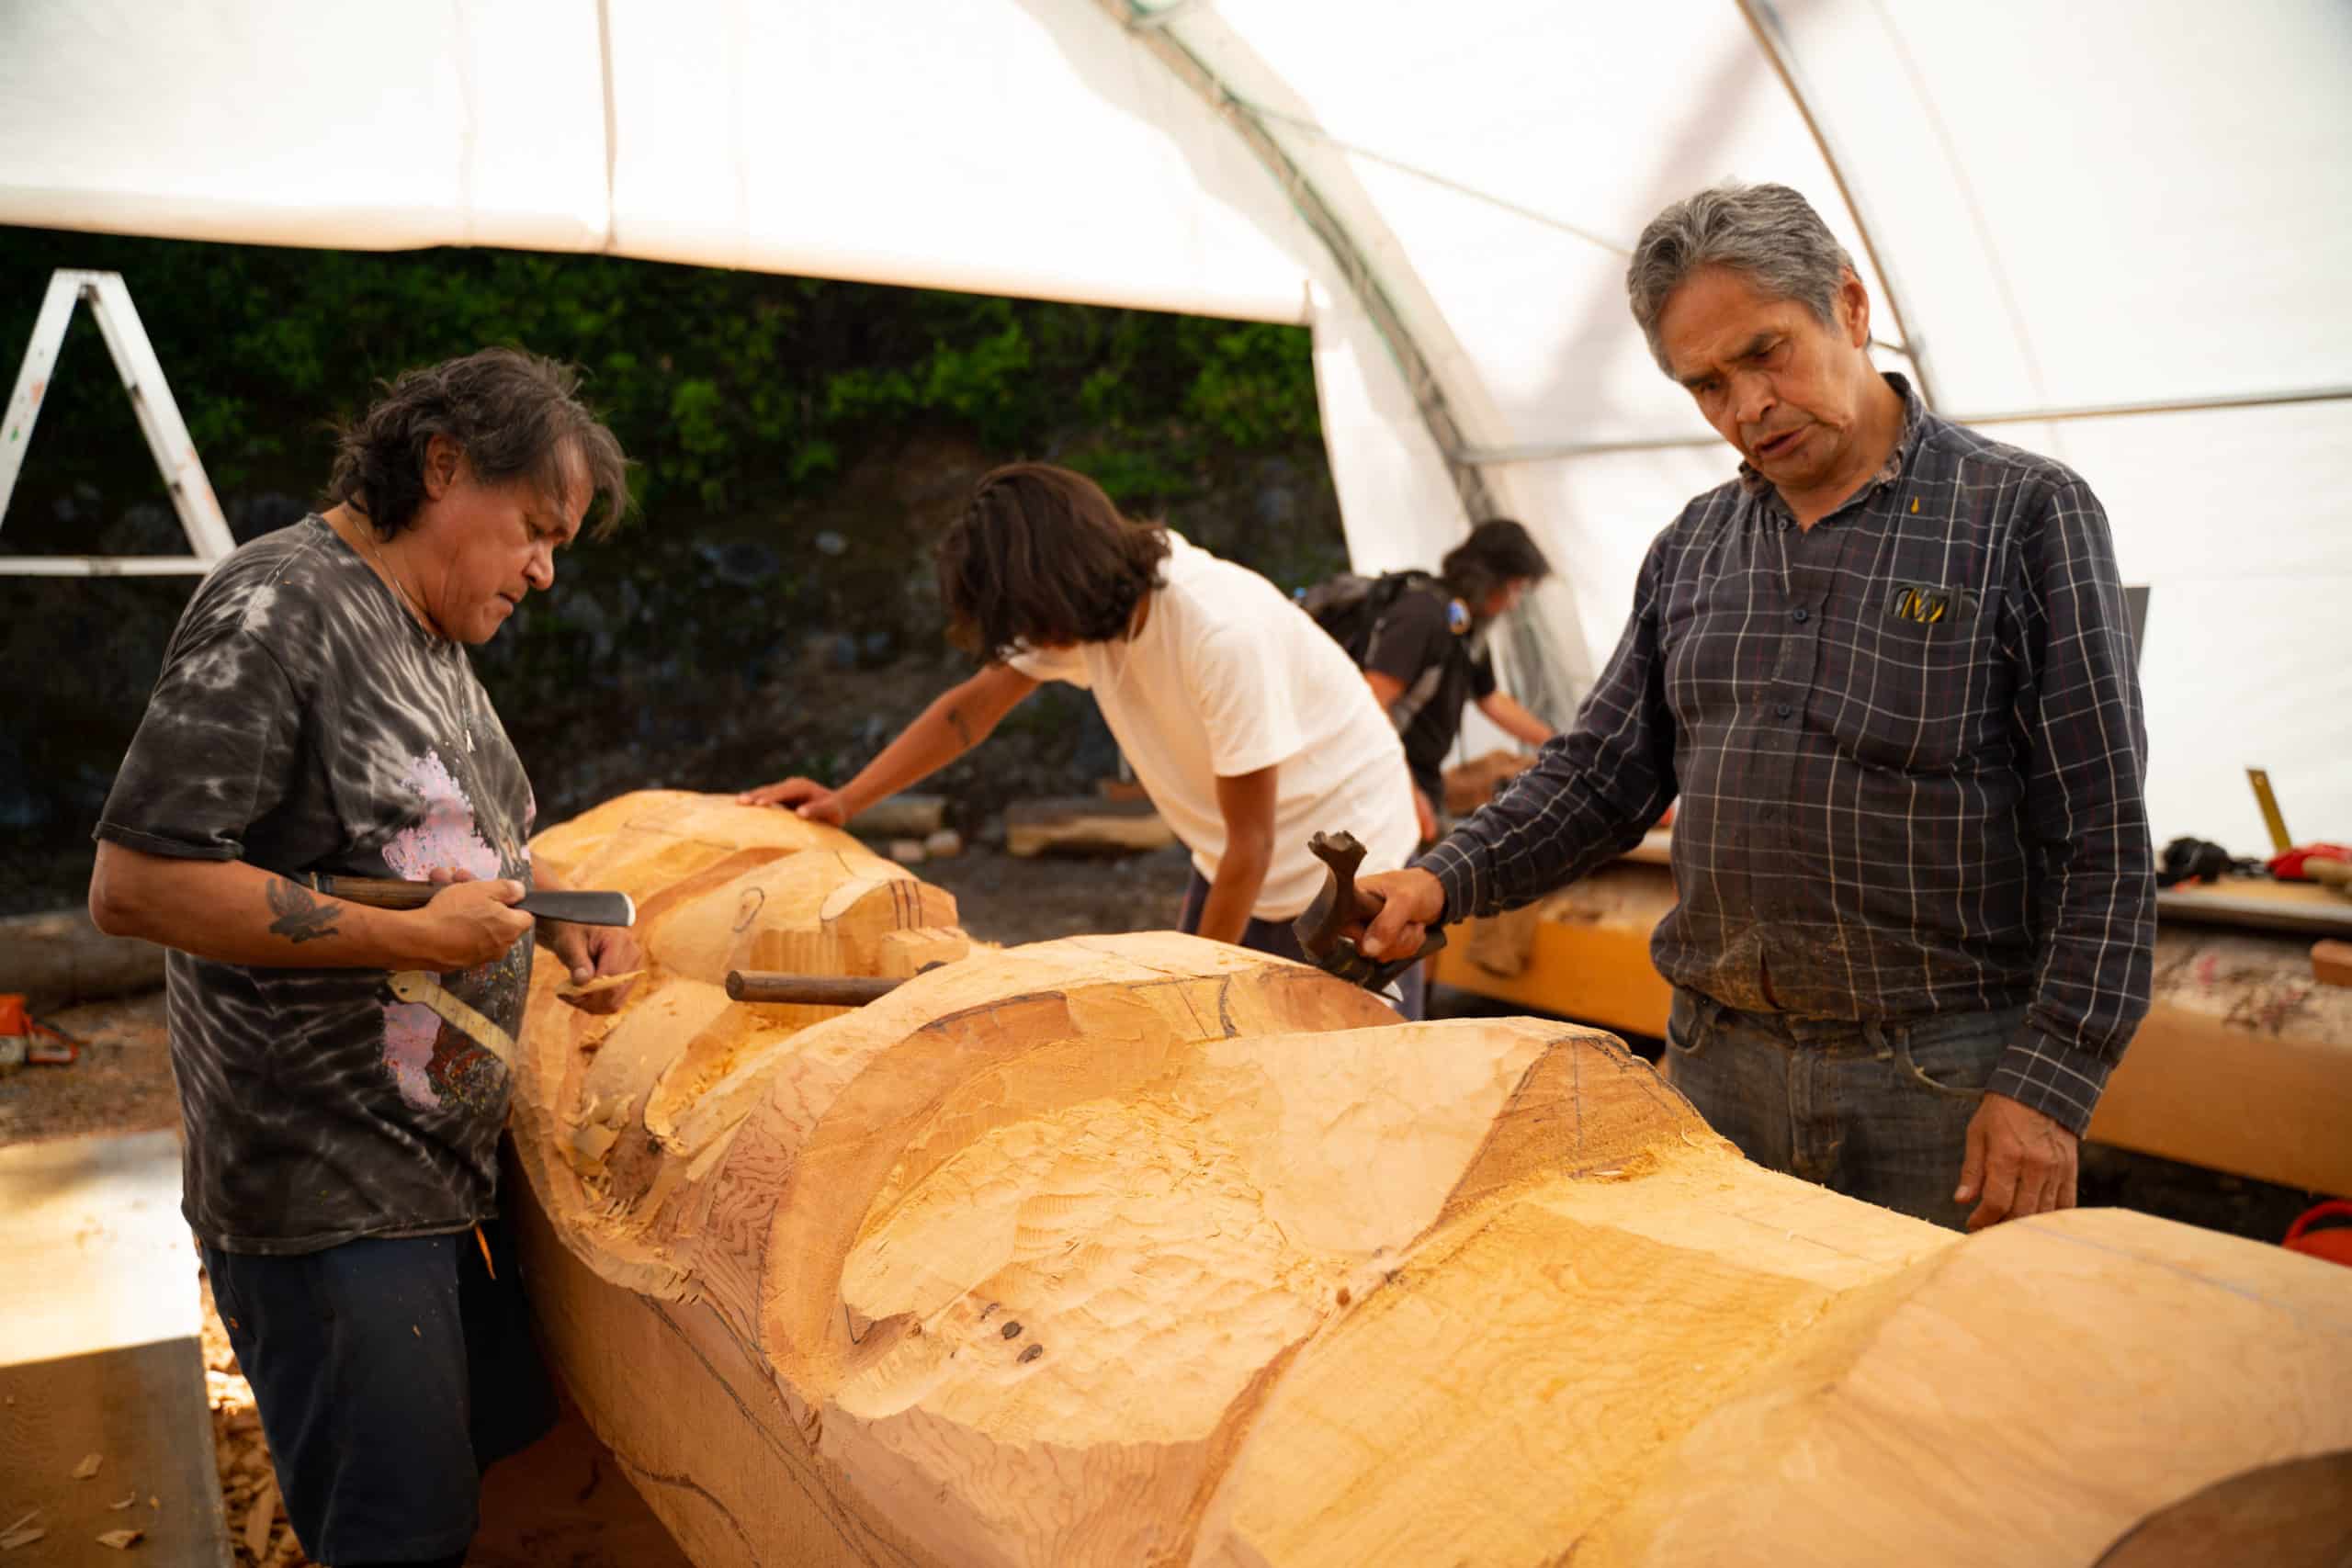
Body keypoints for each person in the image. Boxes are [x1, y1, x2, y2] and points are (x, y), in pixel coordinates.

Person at [1351, 182, 2155, 1233]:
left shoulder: (2020, 515)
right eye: (1706, 385)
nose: (1746, 407)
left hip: (1938, 1084)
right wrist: (1440, 879)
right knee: (1730, 1376)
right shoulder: (1693, 548)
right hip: (1716, 1072)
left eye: (1766, 352)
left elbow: (2101, 835)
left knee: (1923, 1386)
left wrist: (2048, 1085)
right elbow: (1600, 774)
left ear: (1851, 308)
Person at [86, 348, 640, 1568]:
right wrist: (411, 939)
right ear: (442, 465)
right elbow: (137, 880)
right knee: (397, 1537)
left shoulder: (429, 630)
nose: (545, 569)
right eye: (534, 529)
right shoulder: (277, 606)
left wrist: (546, 893)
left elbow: (417, 837)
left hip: (432, 1176)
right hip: (325, 1191)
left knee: (478, 1486)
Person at [739, 461, 1427, 1013]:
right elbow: (969, 712)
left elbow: (1255, 843)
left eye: (1030, 623)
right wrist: (847, 800)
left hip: (1349, 859)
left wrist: (1188, 988)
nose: (1029, 645)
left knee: (1338, 1086)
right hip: (1235, 855)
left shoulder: (1219, 631)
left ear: (1062, 584)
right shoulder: (1093, 616)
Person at [1354, 519, 1557, 840]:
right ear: (1489, 579)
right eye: (1515, 589)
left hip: (1421, 778)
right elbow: (1369, 705)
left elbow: (1491, 699)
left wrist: (1558, 744)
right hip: (1380, 780)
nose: (1513, 604)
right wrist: (1405, 788)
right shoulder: (1422, 615)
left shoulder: (1465, 627)